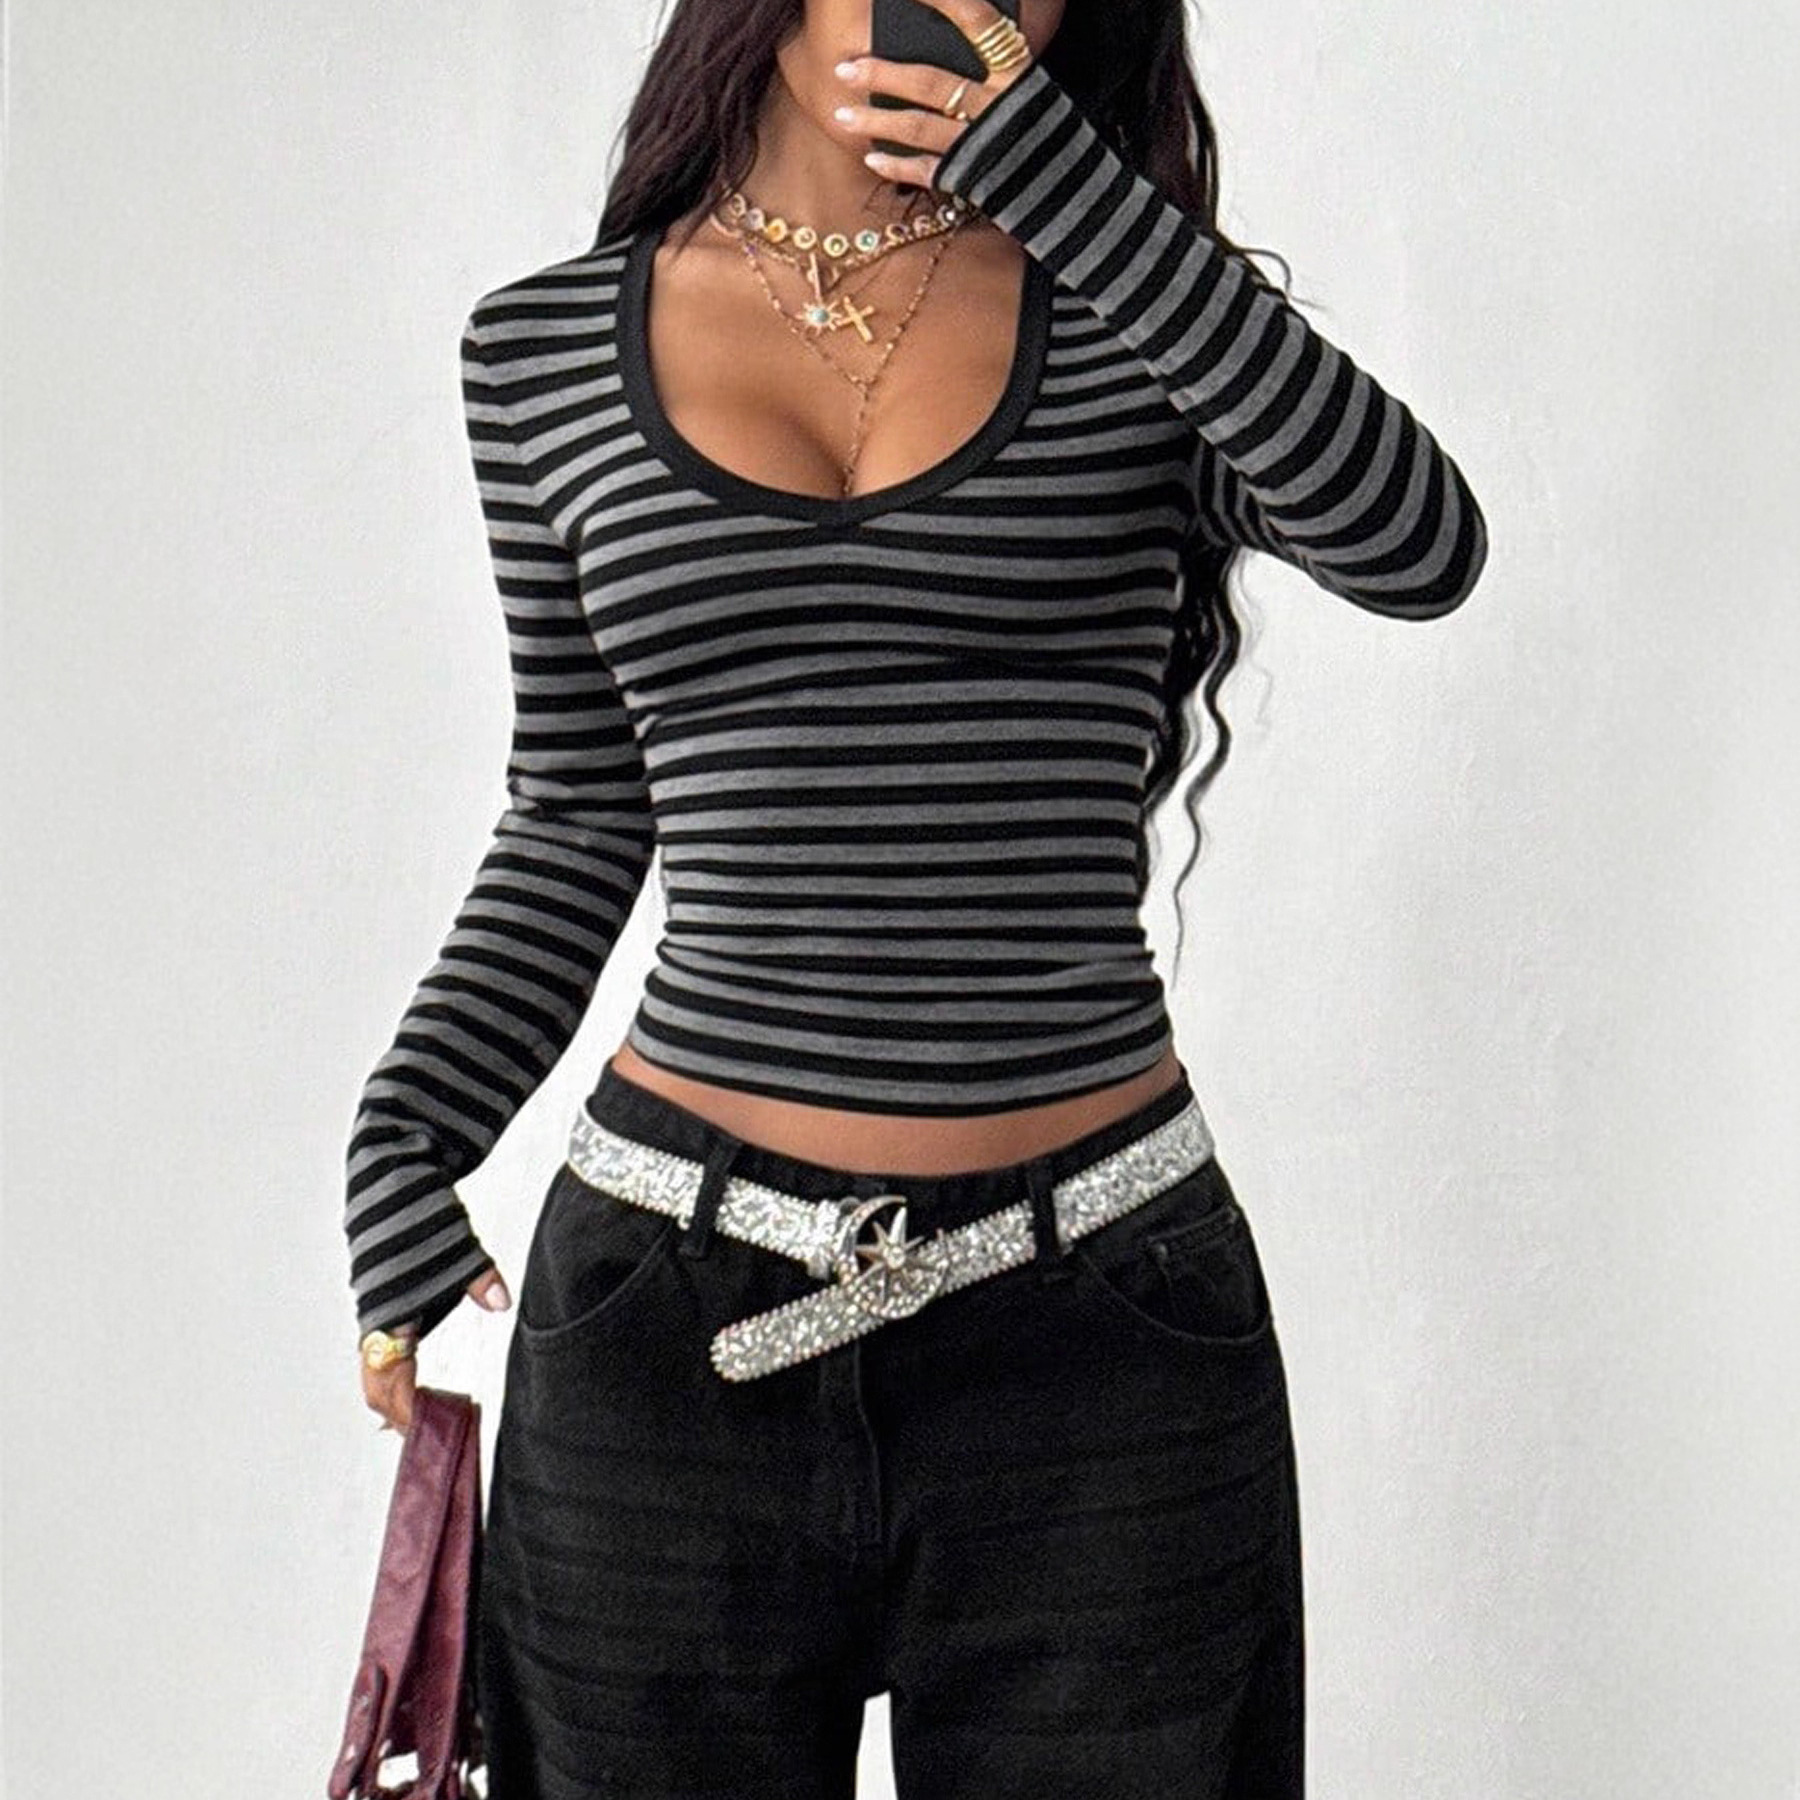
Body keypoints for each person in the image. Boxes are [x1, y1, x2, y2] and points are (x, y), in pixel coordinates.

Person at [344, 0, 1488, 1792]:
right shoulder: (543, 352)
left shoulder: (1142, 313)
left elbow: (1421, 546)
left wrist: (1071, 196)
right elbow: (576, 809)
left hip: (1103, 1334)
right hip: (663, 1330)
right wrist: (409, 1129)